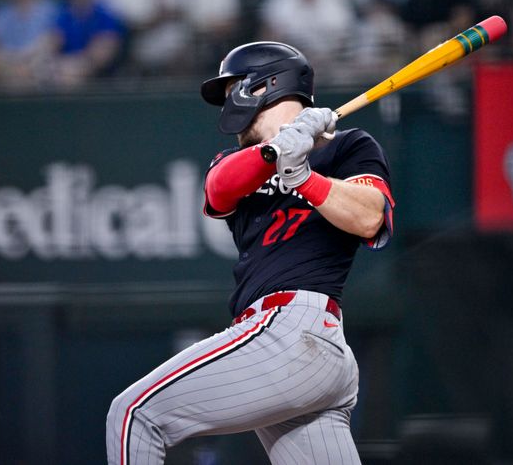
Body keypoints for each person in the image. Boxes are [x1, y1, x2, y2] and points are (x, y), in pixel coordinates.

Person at [106, 41, 395, 464]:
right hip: (285, 347)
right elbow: (218, 191)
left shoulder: (347, 145)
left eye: (234, 90)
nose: (228, 108)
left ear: (265, 86)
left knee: (133, 415)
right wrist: (278, 151)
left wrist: (304, 176)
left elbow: (371, 217)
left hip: (298, 329)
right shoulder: (239, 160)